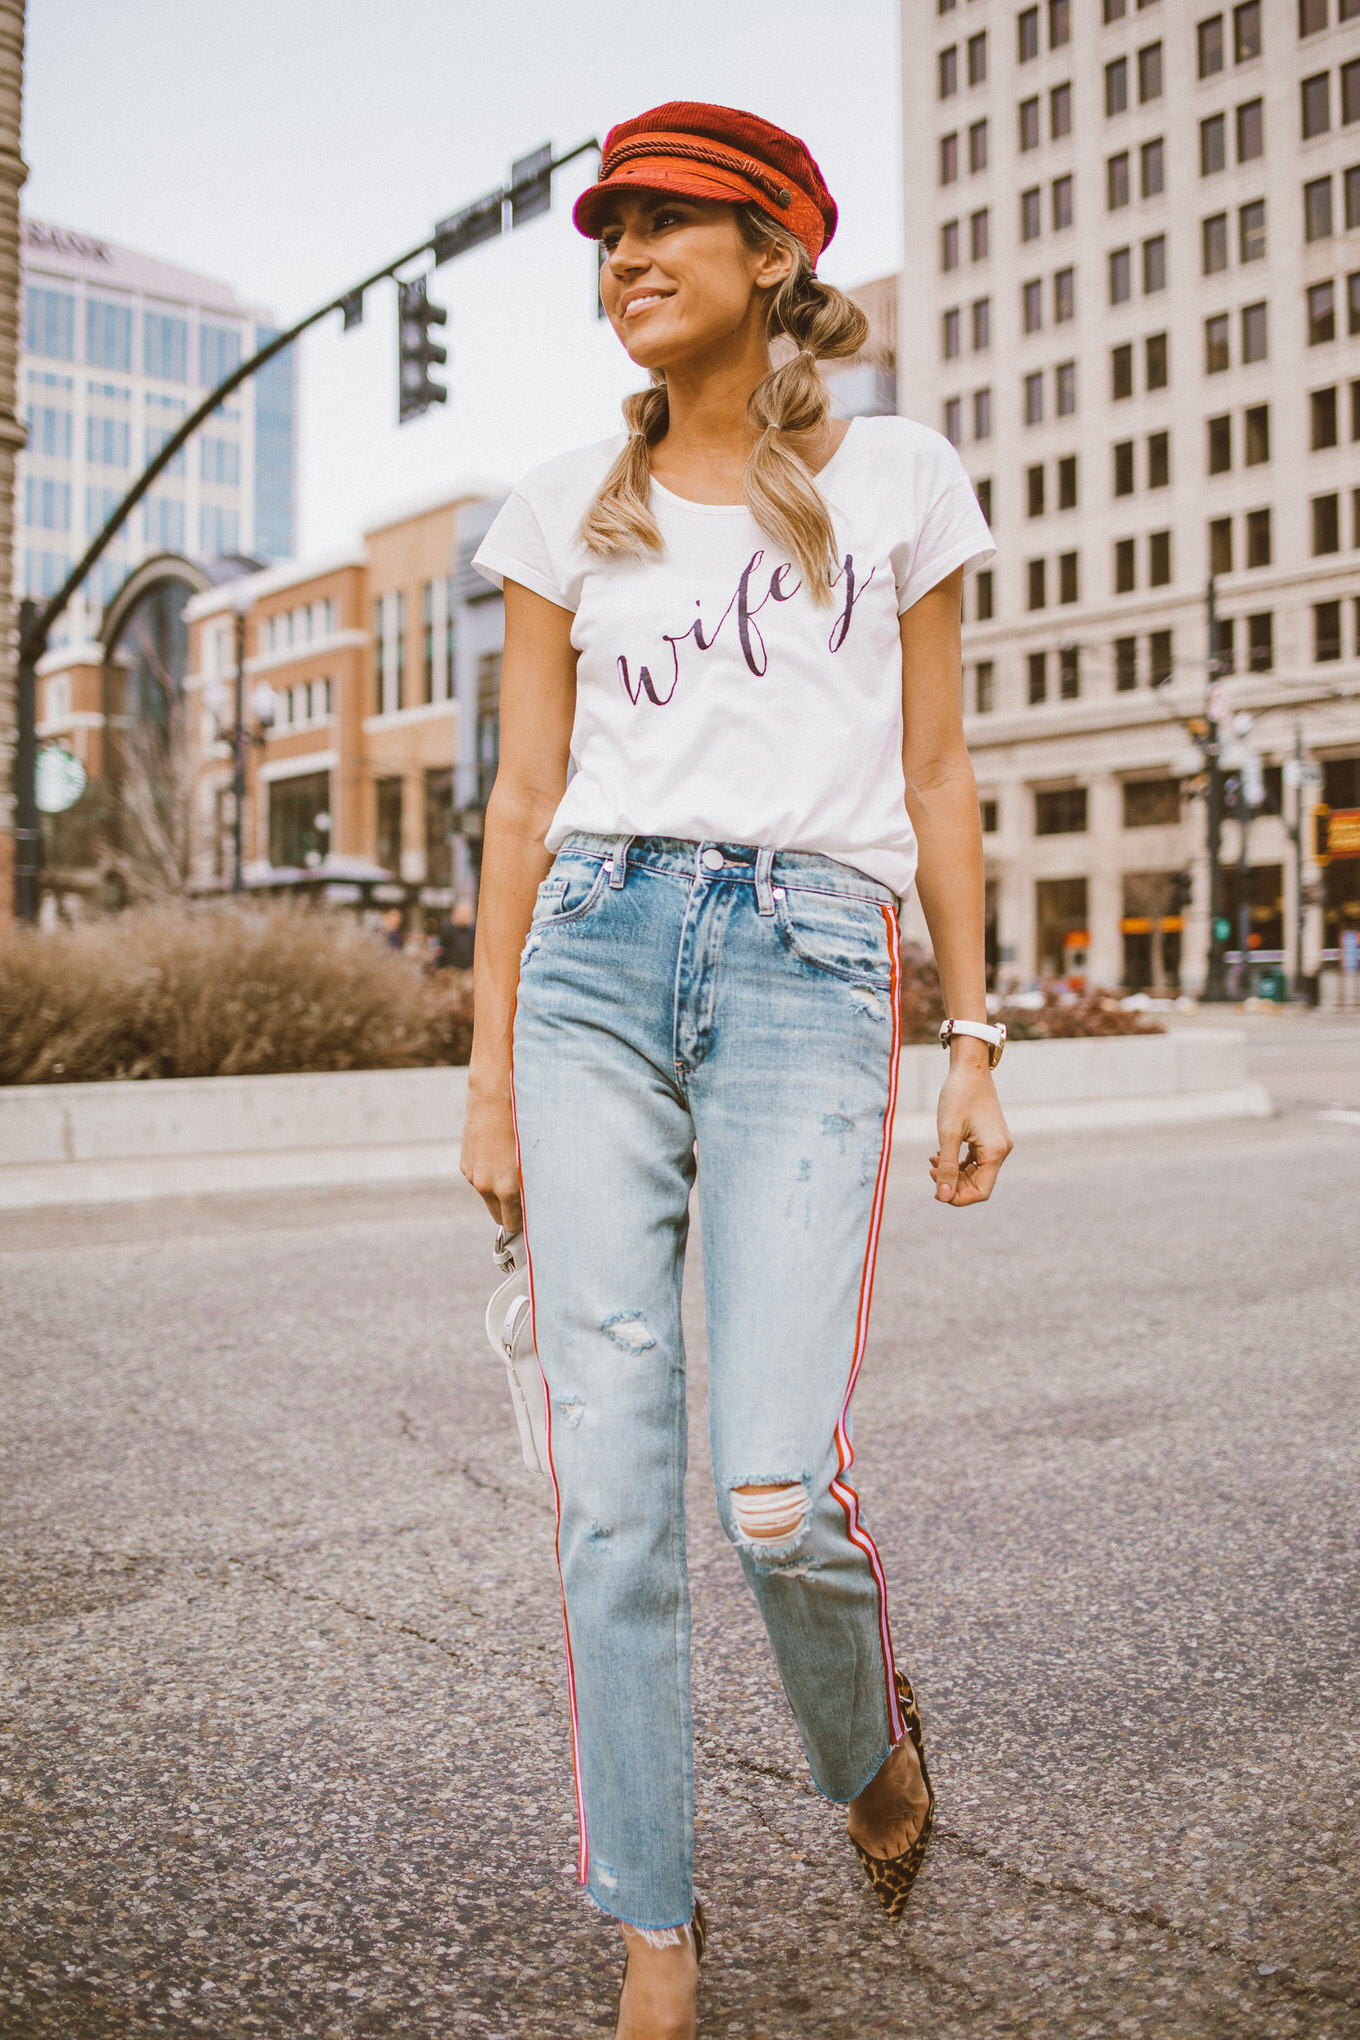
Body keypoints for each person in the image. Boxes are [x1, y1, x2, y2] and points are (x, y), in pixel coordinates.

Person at [461, 102, 1011, 2040]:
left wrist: (972, 1032)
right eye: (604, 229)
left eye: (662, 222)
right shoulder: (553, 511)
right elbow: (521, 804)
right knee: (608, 1496)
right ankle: (651, 1927)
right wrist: (487, 1080)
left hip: (805, 966)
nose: (619, 253)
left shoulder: (899, 480)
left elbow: (937, 773)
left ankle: (864, 1742)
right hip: (590, 966)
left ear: (773, 254)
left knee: (768, 1491)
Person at [435, 897, 476, 971]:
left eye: (467, 913)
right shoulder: (447, 928)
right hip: (449, 968)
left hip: (467, 968)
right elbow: (441, 949)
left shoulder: (471, 930)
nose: (465, 916)